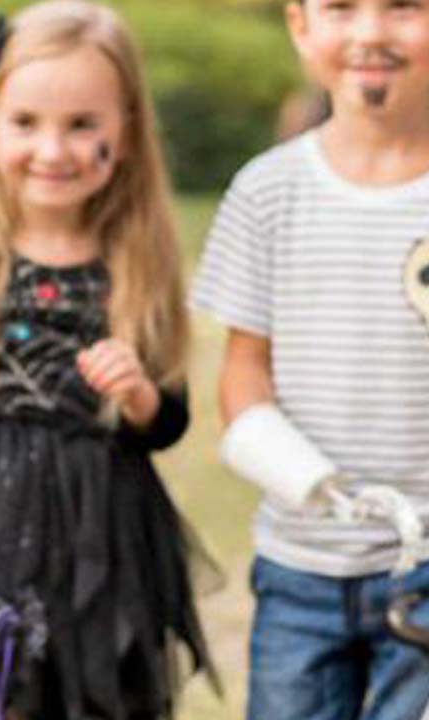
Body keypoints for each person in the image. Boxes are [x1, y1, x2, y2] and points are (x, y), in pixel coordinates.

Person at [0, 2, 215, 718]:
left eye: (83, 125)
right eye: (27, 122)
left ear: (124, 132)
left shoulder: (141, 262)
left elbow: (170, 423)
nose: (53, 149)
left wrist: (138, 396)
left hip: (105, 540)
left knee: (98, 695)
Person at [192, 1, 429, 718]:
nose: (370, 33)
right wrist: (307, 478)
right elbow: (243, 372)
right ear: (300, 27)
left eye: (403, 6)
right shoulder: (266, 192)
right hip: (300, 569)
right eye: (340, 8)